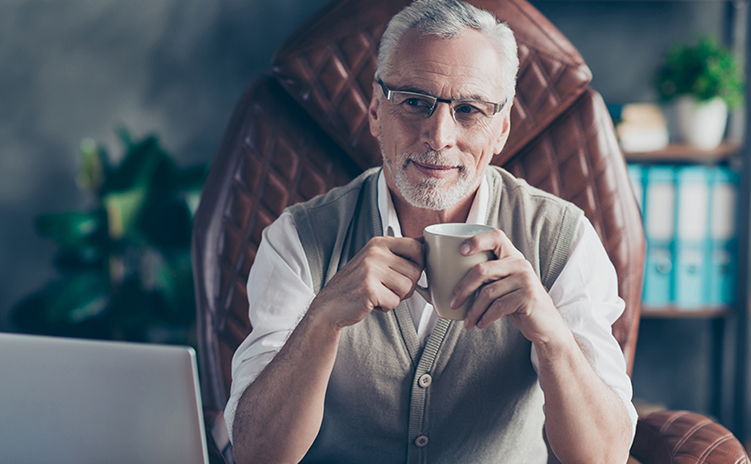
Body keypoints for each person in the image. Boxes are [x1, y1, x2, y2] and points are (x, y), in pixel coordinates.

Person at [226, 0, 638, 462]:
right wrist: (322, 319)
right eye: (415, 103)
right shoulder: (296, 239)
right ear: (376, 113)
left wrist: (552, 336)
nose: (439, 135)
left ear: (501, 129)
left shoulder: (565, 238)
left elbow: (604, 457)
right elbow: (255, 454)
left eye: (469, 110)